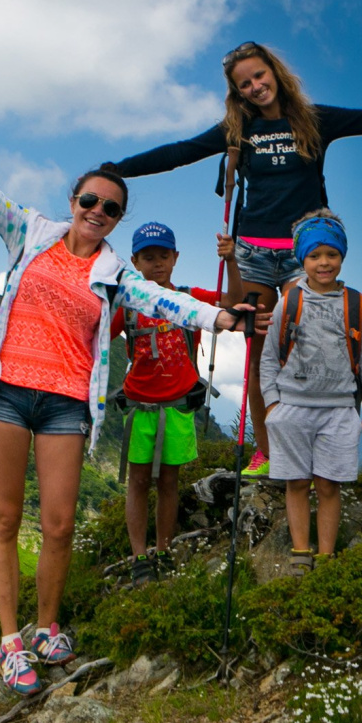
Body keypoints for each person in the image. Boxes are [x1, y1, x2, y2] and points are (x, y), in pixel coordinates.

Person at [0, 90, 256, 695]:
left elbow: (167, 301)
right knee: (5, 518)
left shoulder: (117, 272)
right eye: (90, 200)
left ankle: (47, 625)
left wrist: (222, 319)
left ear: (117, 218)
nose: (98, 211)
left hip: (65, 402)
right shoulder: (28, 232)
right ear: (73, 201)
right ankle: (11, 642)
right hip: (2, 390)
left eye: (110, 207)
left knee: (57, 525)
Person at [111, 42, 362, 478]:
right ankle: (268, 453)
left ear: (275, 73)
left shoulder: (313, 120)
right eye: (244, 83)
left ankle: (315, 444)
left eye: (259, 76)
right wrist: (117, 170)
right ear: (237, 92)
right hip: (254, 255)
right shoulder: (237, 128)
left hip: (304, 253)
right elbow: (180, 152)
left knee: (307, 346)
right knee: (261, 354)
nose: (255, 86)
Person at [259, 210, 362, 577]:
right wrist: (273, 405)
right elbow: (269, 358)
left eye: (331, 254)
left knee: (329, 484)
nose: (323, 263)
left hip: (339, 410)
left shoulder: (356, 305)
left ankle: (326, 557)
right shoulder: (290, 302)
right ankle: (301, 552)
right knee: (297, 482)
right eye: (314, 256)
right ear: (302, 259)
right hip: (292, 406)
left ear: (342, 256)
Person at [112, 222, 227, 581]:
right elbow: (95, 333)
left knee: (168, 483)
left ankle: (162, 550)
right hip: (141, 408)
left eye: (164, 255)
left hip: (177, 407)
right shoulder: (127, 304)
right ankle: (138, 558)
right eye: (149, 257)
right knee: (138, 483)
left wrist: (232, 259)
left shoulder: (190, 298)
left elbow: (232, 297)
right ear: (135, 261)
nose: (157, 263)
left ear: (175, 258)